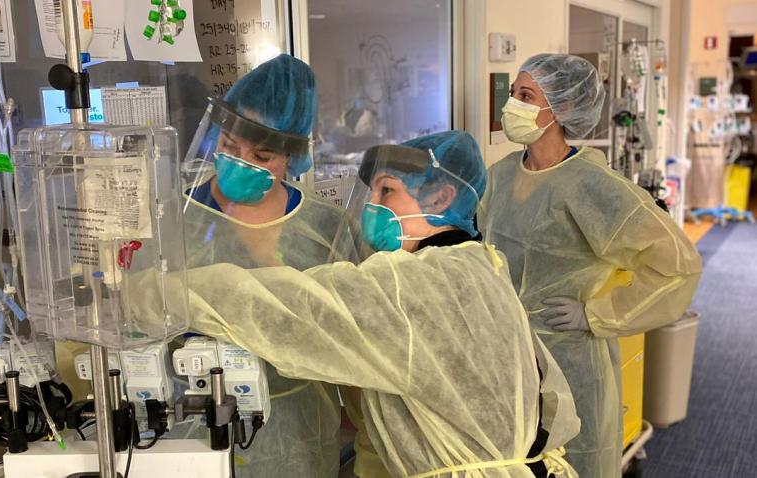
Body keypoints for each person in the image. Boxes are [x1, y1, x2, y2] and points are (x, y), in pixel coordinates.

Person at [144, 131, 583, 477]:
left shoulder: (414, 285)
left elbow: (284, 309)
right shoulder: (477, 262)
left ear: (440, 199)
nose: (370, 207)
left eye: (387, 192)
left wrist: (151, 294)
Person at [478, 53, 703, 478]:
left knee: (572, 462)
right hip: (507, 355)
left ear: (561, 110)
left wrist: (595, 314)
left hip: (569, 356)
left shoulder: (593, 185)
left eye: (526, 96)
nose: (513, 107)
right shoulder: (500, 176)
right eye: (513, 95)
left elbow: (677, 265)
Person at [181, 54, 358, 478]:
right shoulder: (179, 215)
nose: (241, 162)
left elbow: (350, 335)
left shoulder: (323, 228)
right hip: (194, 421)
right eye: (229, 146)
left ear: (291, 159)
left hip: (297, 431)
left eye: (262, 156)